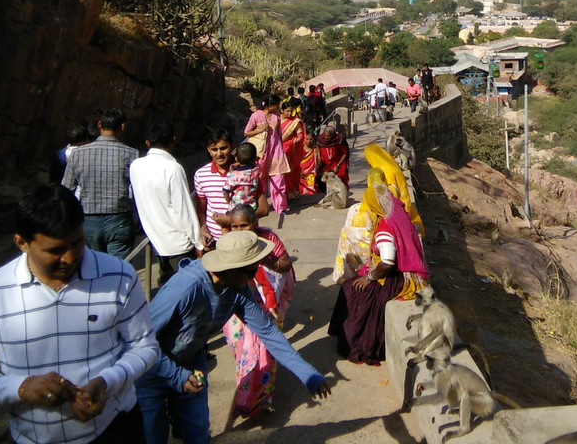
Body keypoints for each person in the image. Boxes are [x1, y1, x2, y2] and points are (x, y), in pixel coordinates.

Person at [0, 185, 158, 444]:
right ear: (21, 243)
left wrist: (107, 382)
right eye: (55, 250)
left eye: (77, 242)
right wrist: (22, 388)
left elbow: (145, 347)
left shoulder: (119, 276)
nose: (69, 258)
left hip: (114, 431)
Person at [135, 231, 330, 444]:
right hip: (152, 367)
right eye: (252, 270)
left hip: (191, 361)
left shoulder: (237, 290)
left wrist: (308, 374)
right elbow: (141, 340)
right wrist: (175, 376)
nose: (256, 275)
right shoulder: (184, 289)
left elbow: (268, 332)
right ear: (231, 269)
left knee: (198, 433)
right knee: (153, 434)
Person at [327, 181, 429, 365]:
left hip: (399, 277)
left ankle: (358, 346)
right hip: (407, 270)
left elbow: (388, 263)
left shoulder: (384, 228)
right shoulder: (397, 209)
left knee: (354, 292)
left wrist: (369, 277)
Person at [222, 205, 298, 419]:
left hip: (269, 300)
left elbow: (285, 265)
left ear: (254, 224)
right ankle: (245, 398)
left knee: (266, 347)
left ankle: (263, 399)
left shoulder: (268, 238)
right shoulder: (227, 243)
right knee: (243, 348)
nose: (240, 230)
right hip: (237, 303)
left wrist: (263, 258)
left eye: (244, 225)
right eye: (234, 226)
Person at [130, 119, 204, 285]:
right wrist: (198, 242)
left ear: (148, 142)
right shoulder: (172, 168)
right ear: (173, 140)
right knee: (188, 290)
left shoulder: (136, 166)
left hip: (156, 240)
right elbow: (183, 209)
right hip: (178, 244)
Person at [62, 107, 139, 258]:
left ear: (99, 124)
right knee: (118, 268)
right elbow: (138, 190)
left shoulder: (77, 154)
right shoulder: (131, 154)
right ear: (122, 126)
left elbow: (66, 189)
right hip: (119, 219)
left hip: (88, 219)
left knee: (95, 265)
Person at [194, 127, 269, 248]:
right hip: (216, 242)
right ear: (208, 149)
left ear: (233, 146)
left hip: (246, 241)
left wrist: (230, 221)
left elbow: (264, 209)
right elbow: (201, 209)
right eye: (214, 149)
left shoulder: (249, 172)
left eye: (223, 148)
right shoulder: (200, 175)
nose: (219, 153)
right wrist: (203, 229)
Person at [222, 141, 261, 210]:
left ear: (236, 158)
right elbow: (255, 163)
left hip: (236, 208)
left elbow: (225, 191)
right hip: (251, 207)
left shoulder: (234, 175)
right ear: (255, 158)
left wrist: (230, 202)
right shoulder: (256, 169)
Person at [280, 101, 307, 199]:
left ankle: (291, 193)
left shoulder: (295, 122)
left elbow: (300, 136)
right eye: (287, 111)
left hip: (290, 151)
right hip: (278, 149)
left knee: (289, 172)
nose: (290, 114)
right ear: (282, 110)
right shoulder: (276, 121)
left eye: (291, 111)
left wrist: (290, 142)